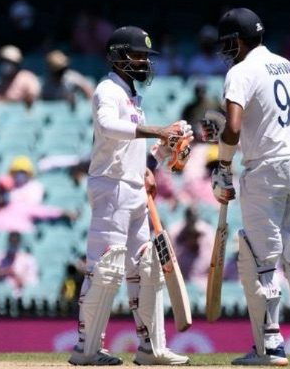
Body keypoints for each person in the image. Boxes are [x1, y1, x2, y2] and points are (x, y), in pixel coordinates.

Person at [201, 7, 290, 367]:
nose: (225, 50)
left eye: (228, 43)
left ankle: (270, 347)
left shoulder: (240, 71)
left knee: (260, 258)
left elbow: (232, 126)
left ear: (237, 40)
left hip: (267, 168)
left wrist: (222, 164)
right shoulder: (286, 64)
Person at [68, 25, 192, 366]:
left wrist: (158, 156)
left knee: (146, 268)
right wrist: (156, 130)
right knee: (105, 268)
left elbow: (129, 150)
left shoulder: (131, 98)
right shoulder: (106, 90)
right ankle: (87, 350)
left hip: (134, 188)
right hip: (110, 187)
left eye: (145, 57)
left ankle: (151, 348)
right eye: (137, 55)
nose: (143, 62)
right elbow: (107, 128)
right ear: (117, 56)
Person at [167, 206, 215, 290]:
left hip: (203, 286)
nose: (193, 238)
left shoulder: (208, 233)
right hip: (181, 284)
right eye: (189, 235)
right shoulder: (175, 233)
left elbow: (213, 266)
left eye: (196, 235)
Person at [0, 231, 38, 297]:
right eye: (11, 238)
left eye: (16, 239)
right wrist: (3, 271)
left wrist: (15, 274)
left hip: (20, 296)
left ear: (20, 241)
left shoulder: (28, 259)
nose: (13, 241)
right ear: (7, 239)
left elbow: (31, 282)